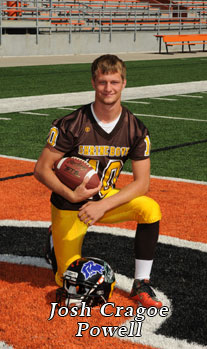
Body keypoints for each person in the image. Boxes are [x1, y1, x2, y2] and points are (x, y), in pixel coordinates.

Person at [34, 54, 162, 308]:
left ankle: (141, 283)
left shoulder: (135, 128)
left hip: (104, 198)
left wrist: (102, 205)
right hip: (70, 204)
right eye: (103, 82)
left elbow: (142, 183)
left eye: (114, 82)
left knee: (150, 208)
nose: (108, 88)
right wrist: (70, 195)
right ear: (94, 83)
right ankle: (54, 240)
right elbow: (41, 169)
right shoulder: (72, 124)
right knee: (68, 280)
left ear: (124, 83)